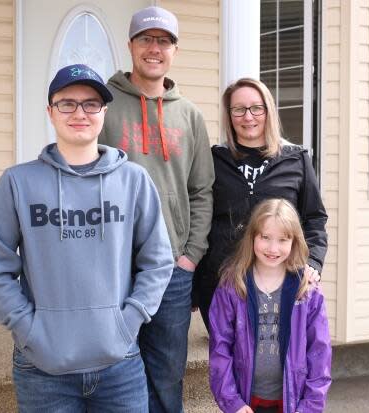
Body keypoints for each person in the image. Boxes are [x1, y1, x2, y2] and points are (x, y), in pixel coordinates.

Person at [0, 63, 174, 412]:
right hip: (42, 368)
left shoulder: (134, 181)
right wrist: (28, 330)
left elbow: (157, 261)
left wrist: (128, 322)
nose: (79, 113)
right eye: (67, 103)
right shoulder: (18, 183)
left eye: (91, 103)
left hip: (119, 363)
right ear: (50, 112)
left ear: (104, 112)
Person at [98, 6, 214, 413]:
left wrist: (190, 256)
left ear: (174, 51)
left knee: (167, 372)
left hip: (172, 269)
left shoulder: (190, 114)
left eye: (163, 41)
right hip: (115, 265)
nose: (154, 48)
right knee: (117, 368)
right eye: (145, 39)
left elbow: (202, 191)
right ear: (130, 45)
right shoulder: (105, 108)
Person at [195, 77, 328, 331]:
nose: (248, 117)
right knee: (228, 361)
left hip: (279, 286)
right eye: (239, 109)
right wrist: (193, 285)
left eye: (256, 108)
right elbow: (200, 218)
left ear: (268, 111)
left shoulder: (295, 160)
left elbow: (315, 218)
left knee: (272, 365)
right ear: (229, 115)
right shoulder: (214, 160)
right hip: (221, 287)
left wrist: (313, 263)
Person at [209, 198, 332, 413]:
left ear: (294, 241)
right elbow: (220, 348)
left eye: (283, 239)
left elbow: (320, 353)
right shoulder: (232, 286)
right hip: (246, 402)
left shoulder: (308, 290)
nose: (273, 248)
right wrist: (232, 402)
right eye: (265, 237)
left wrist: (310, 407)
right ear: (252, 236)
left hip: (294, 403)